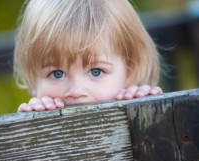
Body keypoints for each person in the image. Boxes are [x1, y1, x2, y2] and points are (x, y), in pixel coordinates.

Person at [14, 0, 163, 112]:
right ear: (33, 78)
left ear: (129, 70)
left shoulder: (139, 108)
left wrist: (148, 113)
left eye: (95, 71)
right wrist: (32, 127)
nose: (76, 92)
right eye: (57, 74)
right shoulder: (37, 118)